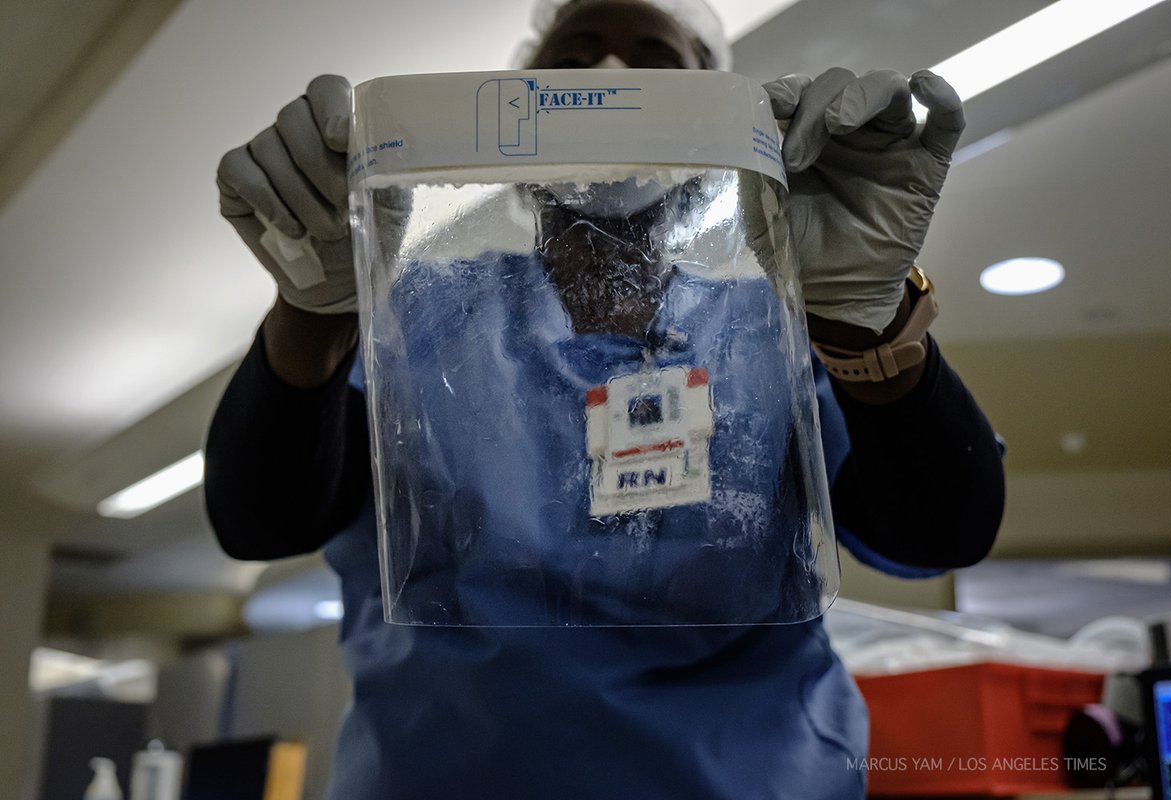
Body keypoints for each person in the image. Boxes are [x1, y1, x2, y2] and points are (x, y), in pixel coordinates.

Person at [206, 0, 1005, 797]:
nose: (607, 79)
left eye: (657, 61)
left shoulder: (776, 325)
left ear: (711, 110)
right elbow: (263, 518)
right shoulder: (418, 317)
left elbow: (939, 530)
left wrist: (862, 314)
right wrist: (316, 308)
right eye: (573, 56)